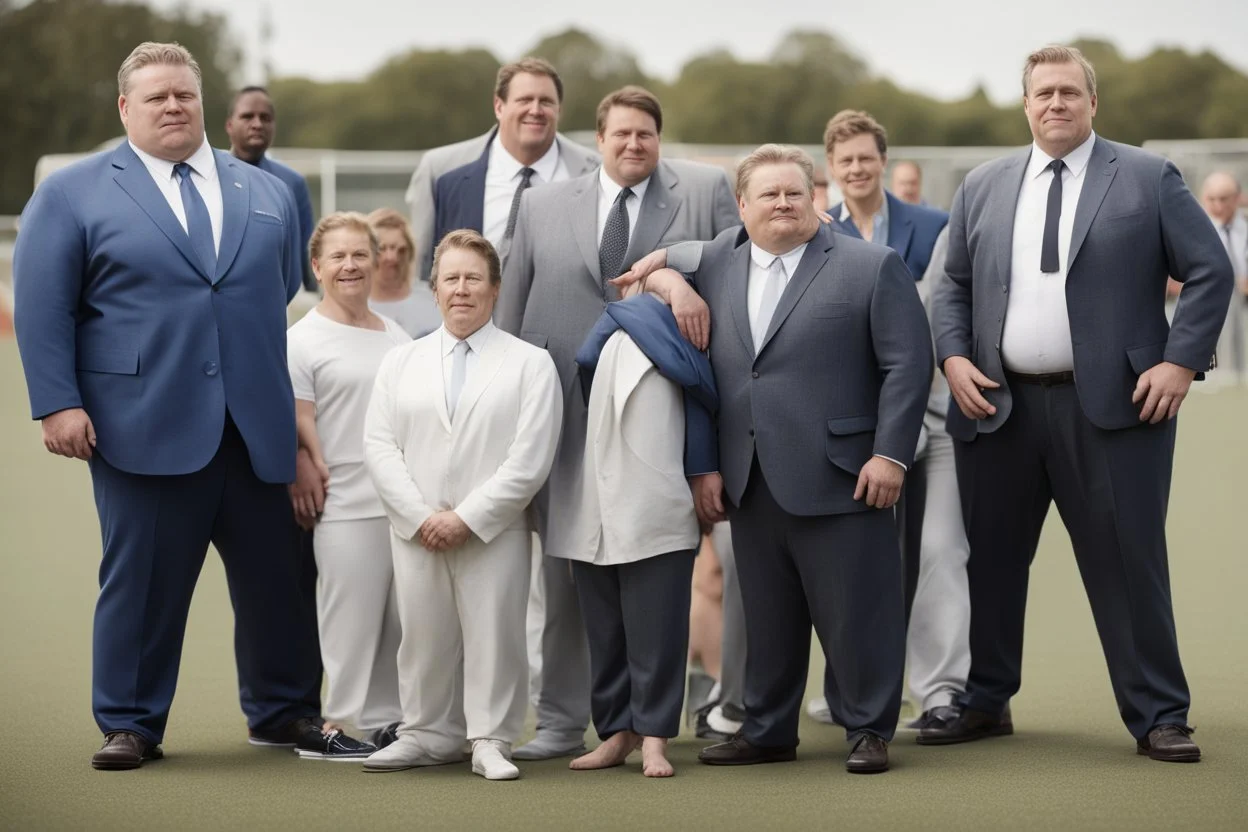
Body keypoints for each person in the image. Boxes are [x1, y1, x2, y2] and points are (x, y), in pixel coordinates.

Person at [12, 41, 330, 770]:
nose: (173, 106)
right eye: (155, 97)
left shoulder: (265, 191)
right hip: (139, 423)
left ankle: (284, 712)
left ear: (203, 103)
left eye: (184, 94)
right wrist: (58, 403)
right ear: (126, 108)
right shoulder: (72, 192)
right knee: (144, 581)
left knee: (278, 578)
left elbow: (273, 290)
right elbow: (43, 307)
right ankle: (130, 722)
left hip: (255, 424)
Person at [927, 45, 1233, 763]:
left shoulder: (1148, 177)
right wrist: (953, 356)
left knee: (1130, 564)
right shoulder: (983, 184)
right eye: (1044, 93)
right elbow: (952, 285)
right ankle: (986, 699)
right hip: (999, 410)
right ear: (1026, 104)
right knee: (991, 563)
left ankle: (1159, 713)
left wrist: (1180, 362)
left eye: (1070, 92)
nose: (1056, 104)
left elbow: (1210, 270)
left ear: (1093, 103)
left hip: (1118, 411)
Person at [637, 143, 933, 773]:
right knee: (767, 615)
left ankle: (868, 729)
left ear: (814, 198)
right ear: (741, 206)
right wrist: (665, 276)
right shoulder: (720, 260)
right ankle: (768, 729)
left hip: (848, 475)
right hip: (749, 475)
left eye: (793, 192)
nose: (781, 203)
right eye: (767, 194)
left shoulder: (870, 265)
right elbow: (669, 267)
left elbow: (908, 366)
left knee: (859, 612)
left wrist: (891, 456)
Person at [496, 84, 739, 761]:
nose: (633, 145)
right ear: (597, 139)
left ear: (659, 141)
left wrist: (674, 277)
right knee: (570, 586)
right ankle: (567, 720)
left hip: (656, 418)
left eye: (645, 135)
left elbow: (730, 270)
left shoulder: (700, 192)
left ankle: (659, 725)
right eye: (621, 134)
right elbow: (512, 317)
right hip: (563, 423)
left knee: (657, 575)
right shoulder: (542, 204)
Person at [362, 229, 563, 781]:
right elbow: (379, 446)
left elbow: (530, 457)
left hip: (493, 529)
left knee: (496, 633)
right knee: (422, 635)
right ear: (434, 290)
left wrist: (468, 518)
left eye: (474, 278)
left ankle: (490, 739)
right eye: (450, 278)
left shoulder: (529, 363)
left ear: (495, 289)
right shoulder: (401, 362)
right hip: (417, 526)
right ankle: (427, 734)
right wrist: (421, 516)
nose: (461, 289)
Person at [808, 110, 952, 730]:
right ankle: (858, 691)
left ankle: (943, 692)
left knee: (942, 550)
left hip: (938, 413)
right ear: (832, 169)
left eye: (867, 158)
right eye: (845, 162)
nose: (857, 169)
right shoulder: (813, 233)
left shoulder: (932, 226)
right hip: (851, 423)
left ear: (882, 161)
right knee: (857, 563)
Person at [563, 291, 719, 777]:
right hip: (594, 497)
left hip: (656, 498)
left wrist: (701, 474)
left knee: (659, 626)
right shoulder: (599, 340)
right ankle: (616, 733)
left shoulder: (681, 340)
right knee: (605, 627)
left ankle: (654, 738)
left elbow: (700, 410)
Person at [287, 212, 411, 755]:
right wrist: (310, 466)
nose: (351, 265)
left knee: (396, 625)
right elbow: (301, 421)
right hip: (344, 504)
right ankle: (333, 728)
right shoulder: (301, 340)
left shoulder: (397, 334)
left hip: (402, 504)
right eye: (337, 256)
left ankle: (386, 721)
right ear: (317, 266)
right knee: (349, 623)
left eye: (360, 253)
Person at [407, 58, 599, 282]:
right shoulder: (439, 170)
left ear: (559, 110)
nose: (535, 110)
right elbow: (421, 271)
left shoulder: (596, 172)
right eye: (525, 100)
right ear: (499, 106)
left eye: (546, 101)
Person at [224, 85, 316, 292]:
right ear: (230, 125)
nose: (257, 124)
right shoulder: (208, 175)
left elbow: (307, 251)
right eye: (248, 116)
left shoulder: (293, 183)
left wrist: (315, 295)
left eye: (265, 118)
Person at [1199, 172, 1248, 384]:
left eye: (1224, 198)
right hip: (1210, 312)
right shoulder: (1195, 229)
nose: (1217, 205)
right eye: (1212, 199)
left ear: (1238, 198)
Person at [366, 208, 442, 338]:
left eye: (400, 250)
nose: (391, 257)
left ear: (410, 254)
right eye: (381, 249)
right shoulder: (354, 307)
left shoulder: (436, 300)